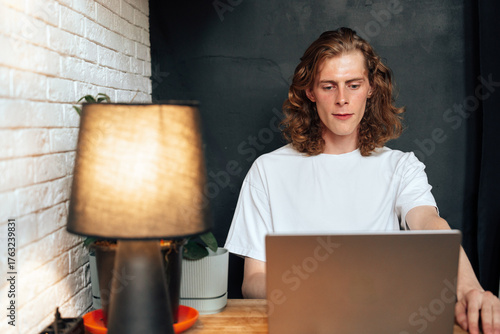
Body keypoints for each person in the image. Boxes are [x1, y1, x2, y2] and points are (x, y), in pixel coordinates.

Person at [224, 27, 500, 333]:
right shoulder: (267, 170)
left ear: (370, 87)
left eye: (353, 85)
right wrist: (315, 297)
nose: (342, 99)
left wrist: (472, 289)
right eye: (329, 86)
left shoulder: (400, 166)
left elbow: (429, 224)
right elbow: (252, 280)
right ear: (310, 92)